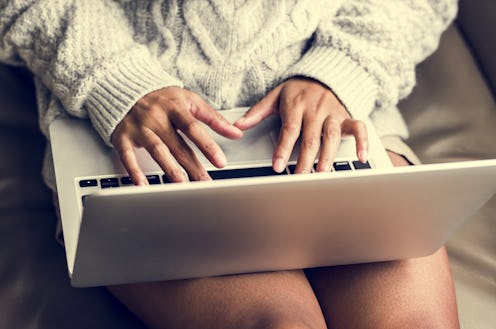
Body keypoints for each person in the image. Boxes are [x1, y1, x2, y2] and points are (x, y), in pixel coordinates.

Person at [0, 1, 460, 328]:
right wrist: (117, 84)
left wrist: (342, 72)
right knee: (280, 324)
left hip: (339, 115)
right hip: (140, 132)